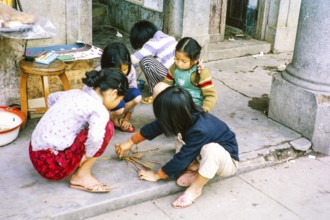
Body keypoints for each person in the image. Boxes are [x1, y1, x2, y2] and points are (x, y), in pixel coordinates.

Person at [115, 86, 239, 208]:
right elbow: (156, 126)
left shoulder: (200, 129)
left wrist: (158, 175)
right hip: (199, 153)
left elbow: (182, 157)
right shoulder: (184, 114)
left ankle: (195, 189)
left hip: (226, 161)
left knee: (211, 150)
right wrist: (130, 142)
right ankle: (196, 167)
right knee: (184, 142)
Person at [29, 68, 129, 193]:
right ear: (113, 93)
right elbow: (96, 139)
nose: (119, 103)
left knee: (87, 126)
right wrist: (86, 157)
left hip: (34, 151)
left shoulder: (74, 92)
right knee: (107, 127)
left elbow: (51, 98)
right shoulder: (99, 109)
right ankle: (82, 175)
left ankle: (76, 163)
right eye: (119, 99)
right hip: (52, 166)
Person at [153, 37, 217, 112]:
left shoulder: (202, 72)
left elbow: (211, 95)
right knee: (159, 87)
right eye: (176, 59)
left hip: (193, 106)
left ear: (195, 60)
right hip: (178, 100)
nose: (179, 64)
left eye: (184, 61)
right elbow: (166, 83)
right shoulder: (174, 67)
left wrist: (204, 110)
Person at [130, 20, 177, 104]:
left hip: (173, 79)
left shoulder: (152, 43)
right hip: (181, 77)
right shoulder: (167, 37)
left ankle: (156, 92)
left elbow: (134, 58)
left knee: (145, 61)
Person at [99, 42, 142, 132]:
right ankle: (112, 119)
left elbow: (133, 89)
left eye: (124, 69)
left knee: (137, 95)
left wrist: (127, 118)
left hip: (119, 100)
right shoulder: (101, 73)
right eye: (117, 70)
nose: (122, 73)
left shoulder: (131, 71)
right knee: (120, 105)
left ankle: (119, 117)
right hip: (105, 105)